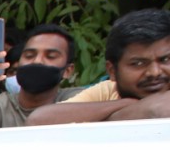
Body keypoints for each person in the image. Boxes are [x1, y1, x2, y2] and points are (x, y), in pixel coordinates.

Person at [29, 9, 170, 125]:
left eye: (165, 60)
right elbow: (38, 120)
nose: (154, 72)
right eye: (138, 63)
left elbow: (160, 110)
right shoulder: (109, 90)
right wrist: (130, 105)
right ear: (112, 71)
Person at [0, 24, 82, 130]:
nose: (37, 61)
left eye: (50, 56)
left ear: (68, 70)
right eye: (29, 55)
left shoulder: (79, 98)